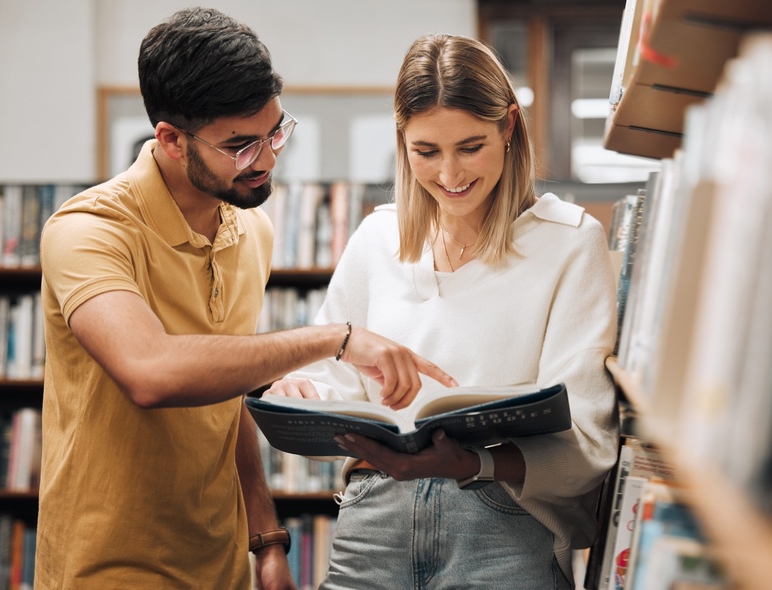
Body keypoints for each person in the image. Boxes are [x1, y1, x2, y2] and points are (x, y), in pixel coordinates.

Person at [34, 8, 455, 590]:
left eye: (276, 132)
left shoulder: (249, 229)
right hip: (110, 566)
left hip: (223, 561)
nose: (267, 159)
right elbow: (152, 373)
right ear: (172, 140)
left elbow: (224, 390)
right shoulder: (88, 231)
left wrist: (266, 539)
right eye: (240, 146)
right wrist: (337, 339)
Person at [266, 33, 619, 589]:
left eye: (470, 147)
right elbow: (329, 383)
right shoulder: (376, 236)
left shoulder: (571, 244)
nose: (450, 175)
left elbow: (588, 446)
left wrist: (471, 463)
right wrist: (302, 394)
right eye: (425, 152)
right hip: (372, 519)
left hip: (500, 525)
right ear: (402, 140)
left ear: (508, 126)